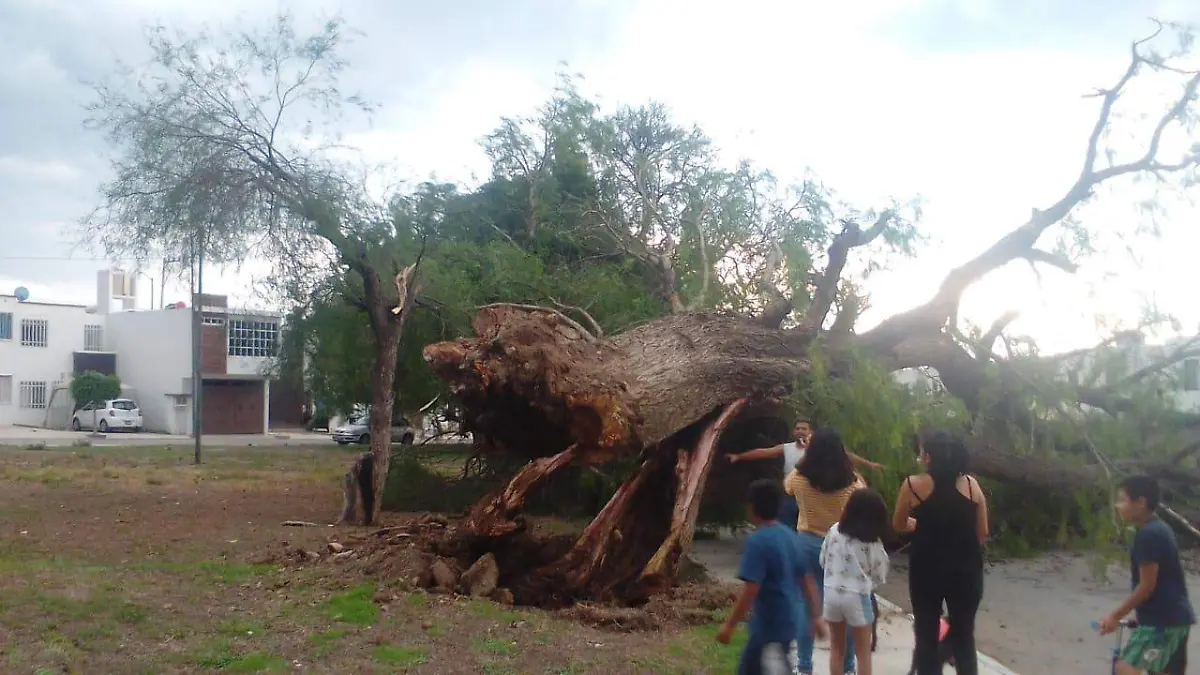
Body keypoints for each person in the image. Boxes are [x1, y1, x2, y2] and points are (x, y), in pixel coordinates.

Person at [892, 430, 988, 675]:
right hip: (966, 571)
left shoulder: (913, 485)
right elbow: (982, 532)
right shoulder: (971, 485)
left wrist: (917, 525)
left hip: (927, 570)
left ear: (928, 457)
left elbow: (898, 525)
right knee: (964, 636)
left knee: (926, 634)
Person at [718, 478, 828, 675]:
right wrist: (816, 616)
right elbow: (808, 580)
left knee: (766, 666)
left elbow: (751, 589)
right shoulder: (791, 537)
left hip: (769, 627)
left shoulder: (757, 542)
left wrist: (730, 625)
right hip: (788, 621)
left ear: (751, 508)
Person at [785, 427, 867, 675]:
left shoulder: (799, 478)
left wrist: (803, 459)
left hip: (807, 542)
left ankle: (804, 666)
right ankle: (849, 667)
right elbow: (863, 498)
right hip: (842, 548)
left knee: (806, 605)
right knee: (847, 608)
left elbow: (787, 488)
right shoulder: (851, 482)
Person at [1097, 474, 1194, 675]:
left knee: (1126, 668)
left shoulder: (1148, 535)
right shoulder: (1160, 529)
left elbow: (1147, 586)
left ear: (1140, 502)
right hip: (1175, 618)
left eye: (1123, 499)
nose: (1118, 505)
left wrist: (1115, 616)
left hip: (1162, 622)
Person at [730, 419, 885, 530]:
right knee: (788, 526)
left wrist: (868, 464)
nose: (801, 431)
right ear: (793, 432)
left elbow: (847, 455)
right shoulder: (787, 448)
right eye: (797, 428)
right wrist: (739, 456)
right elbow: (763, 452)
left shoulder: (822, 452)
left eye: (804, 429)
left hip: (814, 491)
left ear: (811, 432)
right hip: (792, 494)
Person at [821, 488, 890, 675]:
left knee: (836, 648)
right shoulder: (872, 542)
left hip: (831, 593)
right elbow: (880, 573)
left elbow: (823, 559)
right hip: (857, 597)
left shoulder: (834, 531)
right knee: (863, 652)